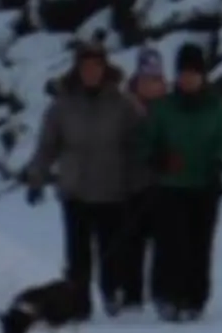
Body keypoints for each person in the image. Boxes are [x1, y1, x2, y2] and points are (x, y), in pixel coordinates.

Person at [23, 36, 141, 318]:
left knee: (110, 251)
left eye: (96, 66)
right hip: (74, 188)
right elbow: (47, 145)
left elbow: (138, 145)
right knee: (77, 255)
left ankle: (112, 292)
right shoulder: (62, 106)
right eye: (86, 66)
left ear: (104, 68)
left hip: (112, 188)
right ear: (77, 69)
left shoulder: (123, 105)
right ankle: (79, 303)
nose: (91, 72)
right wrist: (36, 177)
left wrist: (141, 184)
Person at [138, 41, 222, 321]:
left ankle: (195, 298)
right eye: (183, 73)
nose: (188, 79)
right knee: (170, 243)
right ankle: (166, 296)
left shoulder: (219, 108)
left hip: (205, 186)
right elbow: (146, 141)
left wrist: (219, 162)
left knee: (200, 245)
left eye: (193, 73)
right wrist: (157, 159)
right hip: (170, 186)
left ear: (203, 76)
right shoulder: (163, 107)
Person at [116, 44, 169, 309]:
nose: (153, 84)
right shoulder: (124, 106)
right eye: (148, 79)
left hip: (164, 184)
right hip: (130, 183)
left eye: (157, 79)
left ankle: (161, 294)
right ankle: (131, 295)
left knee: (165, 244)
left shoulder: (171, 106)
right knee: (131, 242)